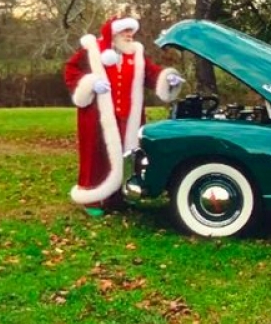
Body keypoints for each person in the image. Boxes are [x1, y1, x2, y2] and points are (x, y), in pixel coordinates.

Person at [63, 16, 184, 216]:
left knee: (128, 156)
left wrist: (167, 78)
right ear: (114, 33)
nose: (130, 35)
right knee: (97, 155)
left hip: (128, 118)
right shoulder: (92, 50)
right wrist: (90, 83)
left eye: (131, 31)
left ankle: (120, 196)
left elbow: (151, 74)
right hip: (97, 117)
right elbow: (71, 70)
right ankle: (93, 199)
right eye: (125, 31)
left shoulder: (136, 54)